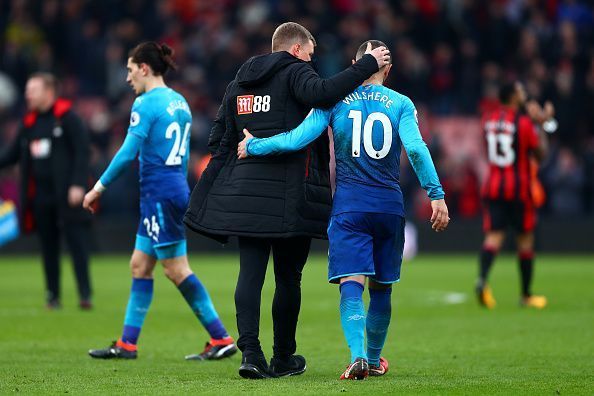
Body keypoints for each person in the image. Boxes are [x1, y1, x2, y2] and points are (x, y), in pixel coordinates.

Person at [184, 22, 391, 379]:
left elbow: (218, 137)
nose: (311, 61)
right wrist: (367, 65)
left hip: (246, 196)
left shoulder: (238, 83)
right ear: (296, 49)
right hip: (291, 194)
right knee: (287, 279)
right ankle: (283, 358)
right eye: (310, 54)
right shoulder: (296, 73)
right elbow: (325, 92)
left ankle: (250, 354)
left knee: (249, 274)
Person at [237, 39, 449, 380]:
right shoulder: (401, 103)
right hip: (388, 205)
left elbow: (295, 139)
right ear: (388, 69)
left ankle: (358, 356)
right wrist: (435, 194)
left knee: (352, 283)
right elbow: (417, 149)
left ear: (356, 63)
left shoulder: (334, 100)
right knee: (382, 286)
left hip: (350, 206)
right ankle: (377, 359)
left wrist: (255, 144)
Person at [83, 42, 236, 360]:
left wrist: (98, 186)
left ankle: (221, 338)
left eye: (129, 70)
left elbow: (128, 151)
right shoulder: (180, 102)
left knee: (176, 270)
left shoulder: (146, 103)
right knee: (140, 266)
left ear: (143, 68)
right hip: (170, 190)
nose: (127, 79)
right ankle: (127, 344)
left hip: (159, 195)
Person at [0, 72, 92, 310]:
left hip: (67, 195)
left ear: (49, 92)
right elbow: (10, 156)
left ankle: (85, 294)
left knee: (77, 245)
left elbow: (83, 152)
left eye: (33, 89)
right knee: (48, 247)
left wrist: (78, 184)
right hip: (40, 196)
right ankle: (53, 295)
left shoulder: (68, 118)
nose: (27, 94)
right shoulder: (28, 123)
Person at [476, 81, 552, 309]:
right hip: (519, 188)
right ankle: (526, 295)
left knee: (494, 237)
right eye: (520, 91)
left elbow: (486, 149)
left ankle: (482, 281)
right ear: (512, 97)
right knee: (525, 239)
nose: (523, 94)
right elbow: (540, 155)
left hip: (493, 186)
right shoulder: (524, 123)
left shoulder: (487, 120)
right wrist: (542, 124)